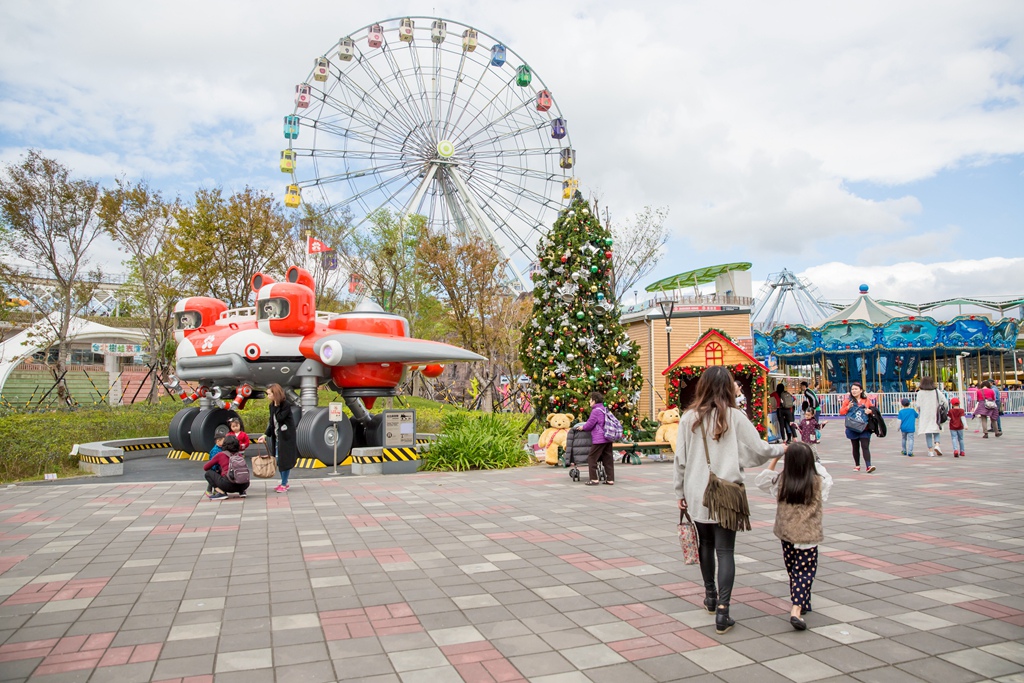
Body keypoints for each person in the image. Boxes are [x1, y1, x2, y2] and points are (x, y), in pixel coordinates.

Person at [674, 366, 784, 635]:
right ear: (728, 388)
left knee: (706, 545)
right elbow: (758, 451)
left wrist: (680, 493)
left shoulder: (689, 418)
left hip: (697, 491)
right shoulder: (735, 416)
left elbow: (681, 460)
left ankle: (710, 597)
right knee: (726, 552)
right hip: (727, 494)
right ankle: (723, 611)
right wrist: (784, 449)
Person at [755, 442, 832, 631]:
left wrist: (776, 458)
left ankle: (802, 603)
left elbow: (761, 481)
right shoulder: (819, 481)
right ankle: (797, 608)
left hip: (786, 533)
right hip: (807, 535)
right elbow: (827, 477)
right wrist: (814, 459)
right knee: (805, 571)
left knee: (792, 570)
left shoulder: (782, 481)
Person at [257, 383, 297, 492]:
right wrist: (265, 435)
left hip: (286, 437)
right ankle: (284, 482)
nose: (268, 396)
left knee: (284, 460)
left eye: (269, 394)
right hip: (277, 436)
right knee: (278, 460)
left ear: (275, 394)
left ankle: (284, 483)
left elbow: (280, 418)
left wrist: (276, 405)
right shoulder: (271, 406)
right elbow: (272, 422)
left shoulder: (286, 405)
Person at [575, 391, 614, 486]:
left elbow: (589, 424)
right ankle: (610, 479)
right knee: (607, 458)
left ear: (594, 400)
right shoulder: (604, 409)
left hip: (599, 438)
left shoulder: (596, 411)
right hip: (608, 437)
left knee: (592, 458)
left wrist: (582, 427)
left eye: (590, 399)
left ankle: (594, 479)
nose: (589, 401)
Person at [839, 382, 877, 472]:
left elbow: (873, 409)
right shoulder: (848, 401)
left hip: (864, 427)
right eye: (852, 389)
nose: (854, 391)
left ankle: (868, 466)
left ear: (861, 390)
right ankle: (857, 465)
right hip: (853, 427)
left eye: (856, 389)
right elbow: (841, 412)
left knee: (865, 446)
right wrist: (848, 407)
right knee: (855, 446)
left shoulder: (866, 400)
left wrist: (870, 411)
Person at [203, 434, 249, 500]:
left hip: (227, 486)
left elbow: (205, 467)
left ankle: (221, 493)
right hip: (244, 484)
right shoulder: (239, 455)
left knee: (208, 473)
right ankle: (242, 492)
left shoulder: (220, 455)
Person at [915, 376, 947, 457]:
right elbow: (945, 402)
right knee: (936, 430)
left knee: (928, 432)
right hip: (935, 413)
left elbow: (918, 405)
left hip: (925, 414)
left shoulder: (920, 393)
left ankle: (930, 450)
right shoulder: (936, 392)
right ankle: (937, 444)